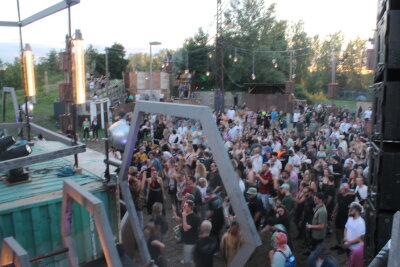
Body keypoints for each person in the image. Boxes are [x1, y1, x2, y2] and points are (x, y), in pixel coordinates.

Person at [344, 202, 365, 267]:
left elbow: (360, 238)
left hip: (355, 249)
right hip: (348, 246)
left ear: (357, 211)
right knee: (349, 259)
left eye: (351, 209)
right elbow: (346, 228)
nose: (349, 211)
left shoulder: (361, 222)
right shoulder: (350, 218)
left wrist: (349, 243)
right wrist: (345, 238)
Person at [181, 200, 200, 264]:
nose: (183, 207)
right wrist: (180, 225)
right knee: (187, 254)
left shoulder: (194, 217)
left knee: (190, 259)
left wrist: (183, 216)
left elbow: (186, 228)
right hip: (186, 239)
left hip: (191, 241)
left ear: (190, 208)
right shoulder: (187, 214)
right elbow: (184, 225)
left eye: (185, 206)